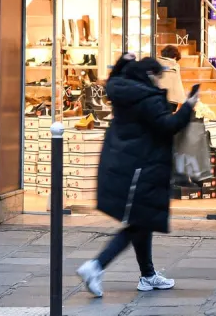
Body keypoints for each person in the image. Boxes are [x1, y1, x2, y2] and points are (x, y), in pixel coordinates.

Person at [76, 56, 199, 297]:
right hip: (142, 168)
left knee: (143, 221)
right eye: (158, 76)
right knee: (140, 223)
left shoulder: (121, 90)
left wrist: (122, 62)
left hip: (126, 164)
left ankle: (148, 275)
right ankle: (96, 265)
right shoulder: (147, 99)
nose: (160, 81)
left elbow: (113, 80)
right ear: (150, 75)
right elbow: (168, 125)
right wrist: (189, 105)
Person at [156, 45, 186, 110]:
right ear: (175, 57)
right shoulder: (176, 66)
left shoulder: (156, 63)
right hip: (172, 99)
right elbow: (178, 84)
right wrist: (182, 99)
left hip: (157, 97)